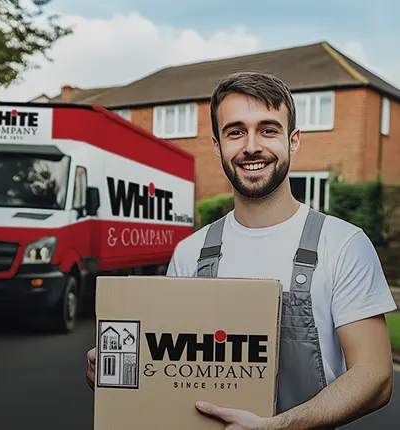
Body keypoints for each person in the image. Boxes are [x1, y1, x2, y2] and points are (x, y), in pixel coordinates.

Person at [85, 71, 397, 429]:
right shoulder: (191, 253)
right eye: (235, 132)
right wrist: (119, 369)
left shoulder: (343, 244)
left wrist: (275, 427)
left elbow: (376, 377)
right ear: (217, 146)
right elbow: (171, 367)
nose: (251, 146)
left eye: (268, 129)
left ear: (293, 141)